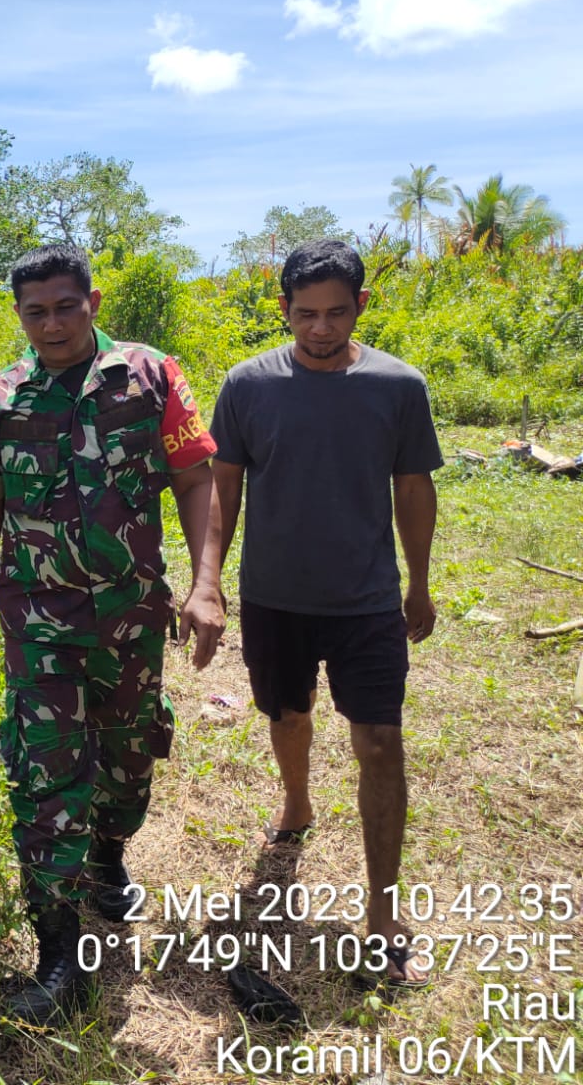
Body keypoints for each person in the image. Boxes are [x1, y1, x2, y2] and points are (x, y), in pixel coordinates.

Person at [0, 243, 224, 1023]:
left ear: (94, 302)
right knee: (45, 779)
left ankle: (110, 853)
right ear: (18, 315)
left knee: (129, 755)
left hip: (133, 616)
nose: (52, 324)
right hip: (39, 623)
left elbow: (196, 476)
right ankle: (58, 955)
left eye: (65, 306)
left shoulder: (153, 376)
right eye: (35, 311)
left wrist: (206, 585)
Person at [208, 237, 441, 988]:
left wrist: (420, 583)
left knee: (379, 742)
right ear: (283, 309)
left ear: (361, 307)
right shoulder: (247, 386)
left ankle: (381, 910)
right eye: (305, 314)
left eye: (336, 313)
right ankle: (298, 801)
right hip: (274, 595)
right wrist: (207, 579)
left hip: (367, 598)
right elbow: (224, 489)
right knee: (288, 717)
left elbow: (413, 488)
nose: (320, 328)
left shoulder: (397, 387)